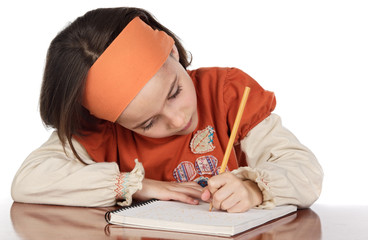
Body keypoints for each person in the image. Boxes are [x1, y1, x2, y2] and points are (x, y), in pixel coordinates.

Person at [11, 7, 323, 212]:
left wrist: (254, 188)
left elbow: (305, 172)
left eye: (174, 92)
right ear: (112, 121)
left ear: (172, 49)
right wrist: (136, 185)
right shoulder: (104, 131)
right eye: (147, 123)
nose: (178, 119)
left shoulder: (227, 94)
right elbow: (29, 180)